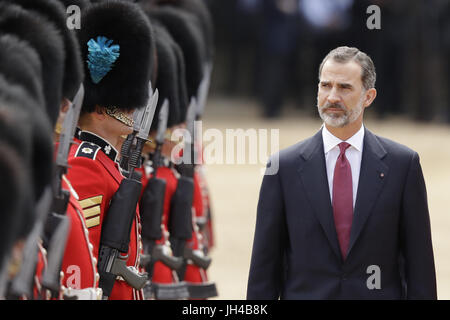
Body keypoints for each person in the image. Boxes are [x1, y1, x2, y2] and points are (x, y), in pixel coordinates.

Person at [247, 46, 437, 300]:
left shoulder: (403, 165)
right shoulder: (283, 168)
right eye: (326, 86)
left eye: (345, 88)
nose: (332, 96)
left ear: (368, 97)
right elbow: (263, 269)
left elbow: (420, 267)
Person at [66, 0, 155, 300]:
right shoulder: (85, 165)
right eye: (126, 101)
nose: (134, 109)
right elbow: (83, 259)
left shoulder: (109, 162)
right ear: (101, 108)